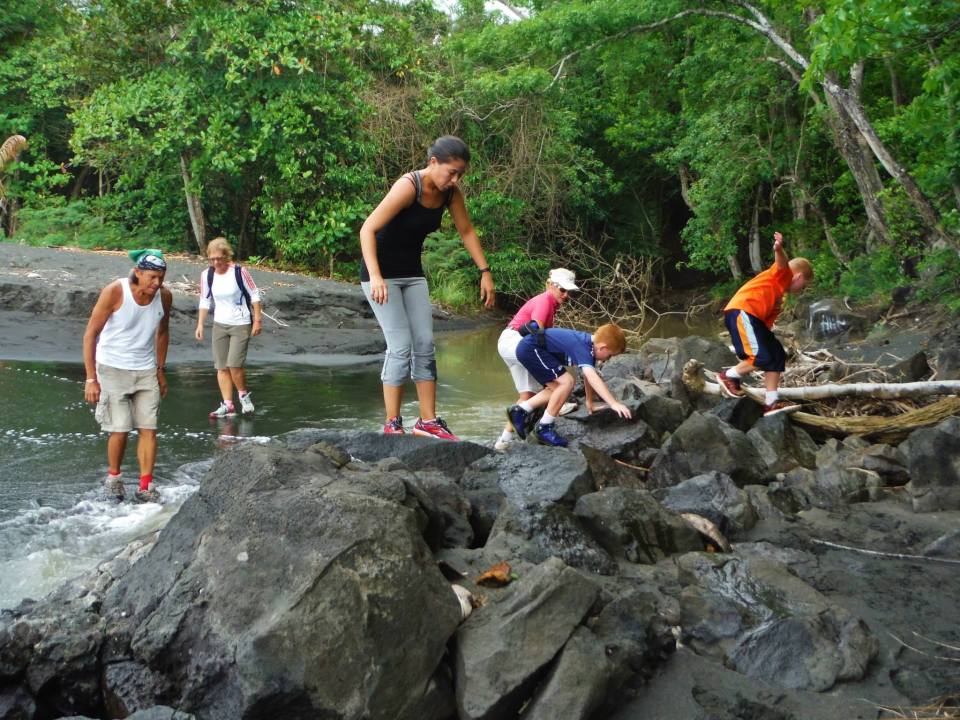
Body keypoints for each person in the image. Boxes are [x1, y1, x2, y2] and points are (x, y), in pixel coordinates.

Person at [360, 135, 495, 440]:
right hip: (380, 276)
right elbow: (367, 228)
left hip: (412, 274)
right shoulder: (409, 186)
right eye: (452, 172)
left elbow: (467, 231)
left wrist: (484, 272)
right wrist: (376, 275)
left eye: (460, 174)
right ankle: (392, 423)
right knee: (400, 346)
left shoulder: (450, 194)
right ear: (434, 163)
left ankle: (427, 421)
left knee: (424, 344)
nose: (456, 179)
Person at [82, 249, 172, 503]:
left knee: (148, 428)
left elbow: (163, 332)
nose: (157, 283)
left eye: (161, 277)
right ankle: (114, 478)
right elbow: (91, 334)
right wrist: (91, 378)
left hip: (145, 369)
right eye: (152, 277)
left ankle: (145, 486)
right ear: (138, 272)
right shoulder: (115, 291)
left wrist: (160, 370)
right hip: (112, 367)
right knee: (119, 429)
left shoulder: (164, 296)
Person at [717, 231, 813, 415]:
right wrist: (779, 248)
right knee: (761, 357)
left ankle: (771, 402)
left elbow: (765, 326)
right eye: (804, 285)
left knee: (776, 354)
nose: (802, 289)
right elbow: (783, 264)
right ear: (799, 277)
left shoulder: (777, 296)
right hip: (742, 312)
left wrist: (766, 339)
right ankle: (728, 376)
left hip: (753, 319)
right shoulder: (782, 276)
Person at [494, 267, 580, 450]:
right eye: (562, 290)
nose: (565, 295)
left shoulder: (547, 301)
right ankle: (549, 419)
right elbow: (536, 332)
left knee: (528, 395)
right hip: (517, 343)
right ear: (549, 285)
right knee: (560, 385)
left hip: (508, 343)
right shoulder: (545, 300)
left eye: (569, 292)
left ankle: (503, 441)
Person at [506, 323, 632, 447]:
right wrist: (613, 403)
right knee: (567, 382)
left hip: (532, 349)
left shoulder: (591, 347)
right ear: (602, 348)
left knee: (559, 390)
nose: (607, 359)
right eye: (609, 355)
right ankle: (544, 427)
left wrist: (590, 403)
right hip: (531, 349)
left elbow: (588, 376)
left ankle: (520, 410)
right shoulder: (583, 347)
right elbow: (592, 377)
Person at [194, 237, 263, 418]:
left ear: (227, 256)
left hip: (240, 323)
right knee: (221, 366)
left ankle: (243, 396)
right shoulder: (207, 275)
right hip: (220, 324)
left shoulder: (239, 272)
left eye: (219, 258)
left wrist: (257, 320)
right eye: (212, 259)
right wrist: (200, 323)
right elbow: (205, 300)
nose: (216, 262)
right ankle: (228, 404)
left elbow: (254, 294)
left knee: (234, 364)